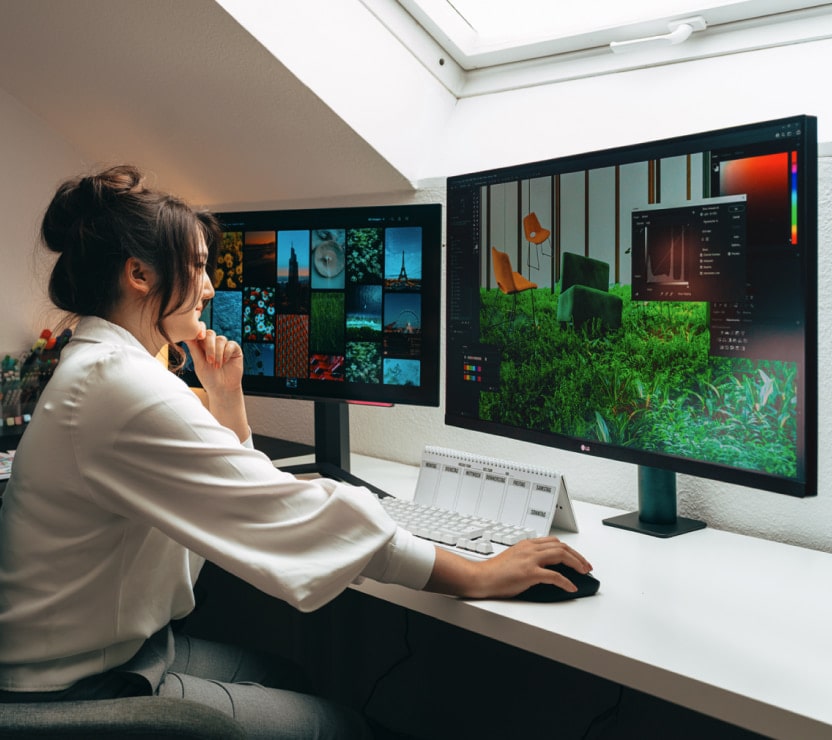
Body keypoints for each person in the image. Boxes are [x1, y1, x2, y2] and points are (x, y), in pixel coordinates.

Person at [0, 165, 593, 738]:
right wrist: (477, 573)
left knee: (288, 676)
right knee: (339, 725)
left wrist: (226, 398)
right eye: (200, 267)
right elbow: (282, 510)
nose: (210, 288)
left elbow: (235, 492)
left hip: (92, 653)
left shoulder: (98, 366)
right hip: (78, 688)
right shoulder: (123, 387)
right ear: (139, 274)